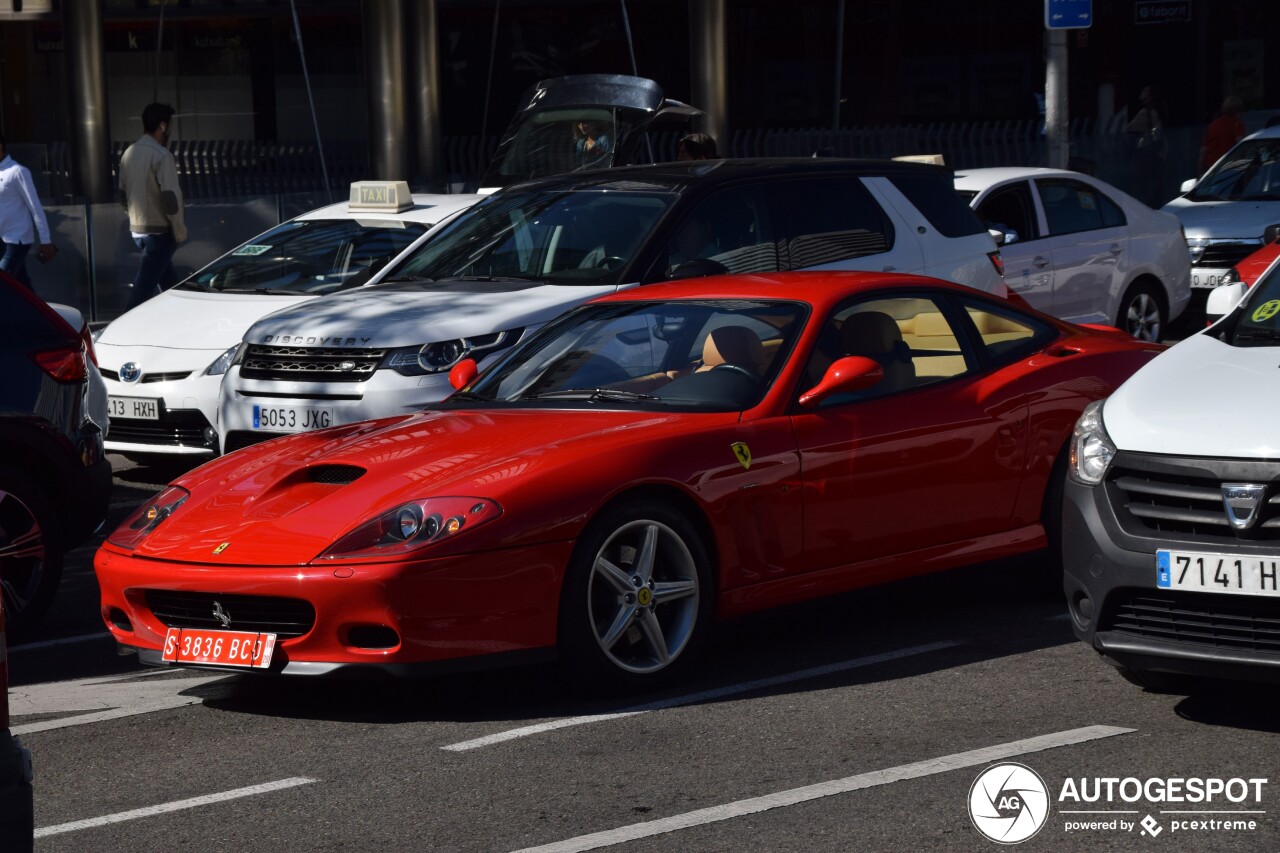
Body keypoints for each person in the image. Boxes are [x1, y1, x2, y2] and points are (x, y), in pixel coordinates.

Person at [119, 102, 187, 310]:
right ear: (163, 126)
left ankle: (183, 314)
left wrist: (132, 217)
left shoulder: (129, 153)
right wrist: (179, 230)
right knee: (144, 287)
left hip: (137, 231)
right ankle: (124, 328)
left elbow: (122, 194)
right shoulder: (161, 155)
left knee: (169, 283)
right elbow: (170, 200)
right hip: (160, 231)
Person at [0, 134, 56, 290]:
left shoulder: (18, 171)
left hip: (16, 239)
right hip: (2, 240)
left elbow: (35, 206)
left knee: (3, 281)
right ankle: (37, 314)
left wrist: (45, 240)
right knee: (22, 286)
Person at [1201, 95, 1245, 171]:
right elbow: (1241, 148)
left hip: (1210, 167)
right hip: (1227, 166)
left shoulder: (1212, 125)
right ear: (1238, 111)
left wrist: (1200, 172)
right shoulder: (1237, 125)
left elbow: (1203, 152)